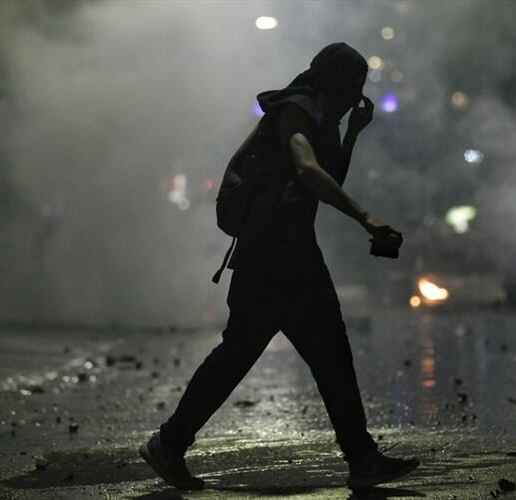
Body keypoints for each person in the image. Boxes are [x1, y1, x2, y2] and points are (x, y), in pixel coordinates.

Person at [139, 42, 419, 491]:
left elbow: (327, 178)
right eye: (353, 84)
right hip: (274, 256)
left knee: (271, 355)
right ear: (334, 79)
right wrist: (367, 217)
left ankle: (170, 445)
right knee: (309, 354)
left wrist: (351, 133)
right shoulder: (296, 108)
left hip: (284, 255)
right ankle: (361, 458)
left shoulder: (320, 116)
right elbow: (308, 170)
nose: (355, 94)